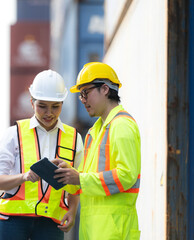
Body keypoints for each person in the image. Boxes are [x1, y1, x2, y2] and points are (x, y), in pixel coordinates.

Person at [0, 69, 84, 240]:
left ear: (63, 103)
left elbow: (78, 183)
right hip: (13, 222)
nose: (49, 113)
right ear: (32, 102)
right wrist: (24, 177)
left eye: (55, 106)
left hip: (50, 223)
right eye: (42, 106)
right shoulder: (13, 134)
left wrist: (72, 210)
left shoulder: (74, 138)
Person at [53, 62, 141, 239]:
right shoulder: (95, 131)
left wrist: (80, 178)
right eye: (80, 95)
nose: (83, 100)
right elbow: (88, 177)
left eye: (85, 93)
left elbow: (126, 175)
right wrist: (69, 174)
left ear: (105, 89)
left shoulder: (122, 126)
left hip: (114, 229)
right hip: (94, 228)